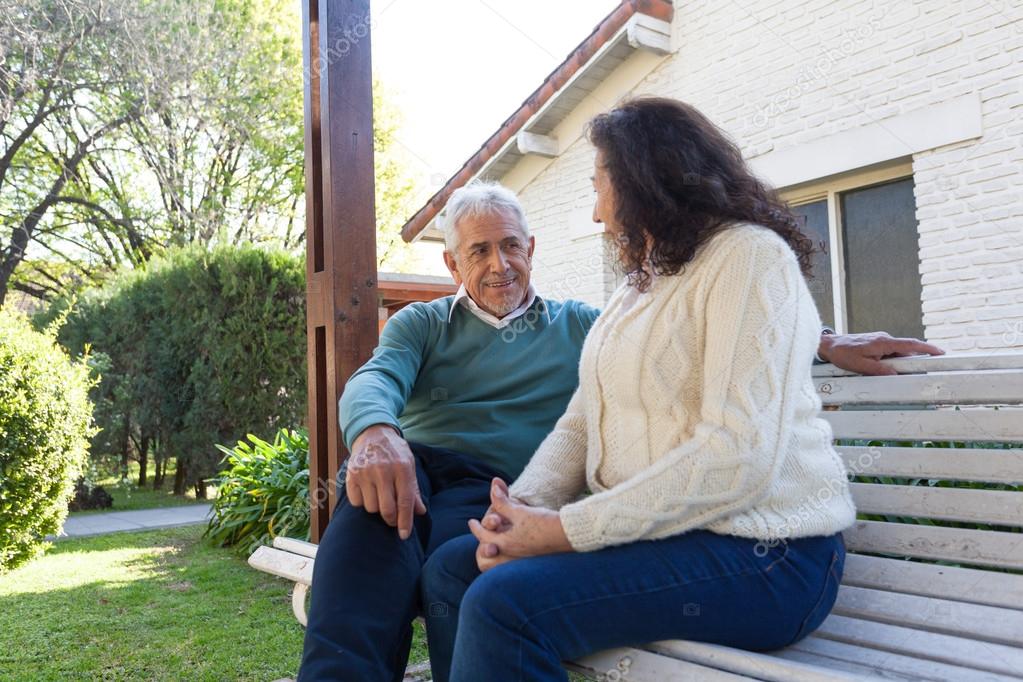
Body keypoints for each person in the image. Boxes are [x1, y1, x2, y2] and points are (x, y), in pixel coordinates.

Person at [298, 177, 943, 680]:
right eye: (480, 251)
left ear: (532, 250)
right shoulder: (424, 324)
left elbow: (702, 335)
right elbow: (374, 379)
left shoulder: (584, 323)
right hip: (414, 468)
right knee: (358, 546)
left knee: (451, 567)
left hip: (500, 483)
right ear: (452, 264)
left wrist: (823, 340)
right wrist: (376, 433)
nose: (500, 264)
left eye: (512, 245)